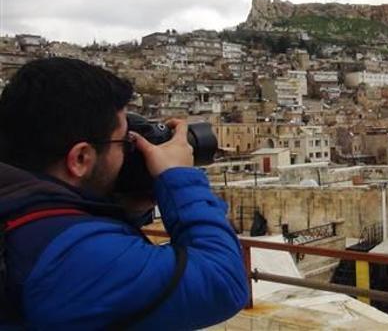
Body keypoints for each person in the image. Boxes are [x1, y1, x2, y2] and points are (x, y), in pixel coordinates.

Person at [0, 57, 249, 329]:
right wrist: (178, 178)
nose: (132, 150)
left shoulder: (22, 212)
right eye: (123, 141)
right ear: (81, 158)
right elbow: (223, 281)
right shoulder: (70, 257)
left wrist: (123, 207)